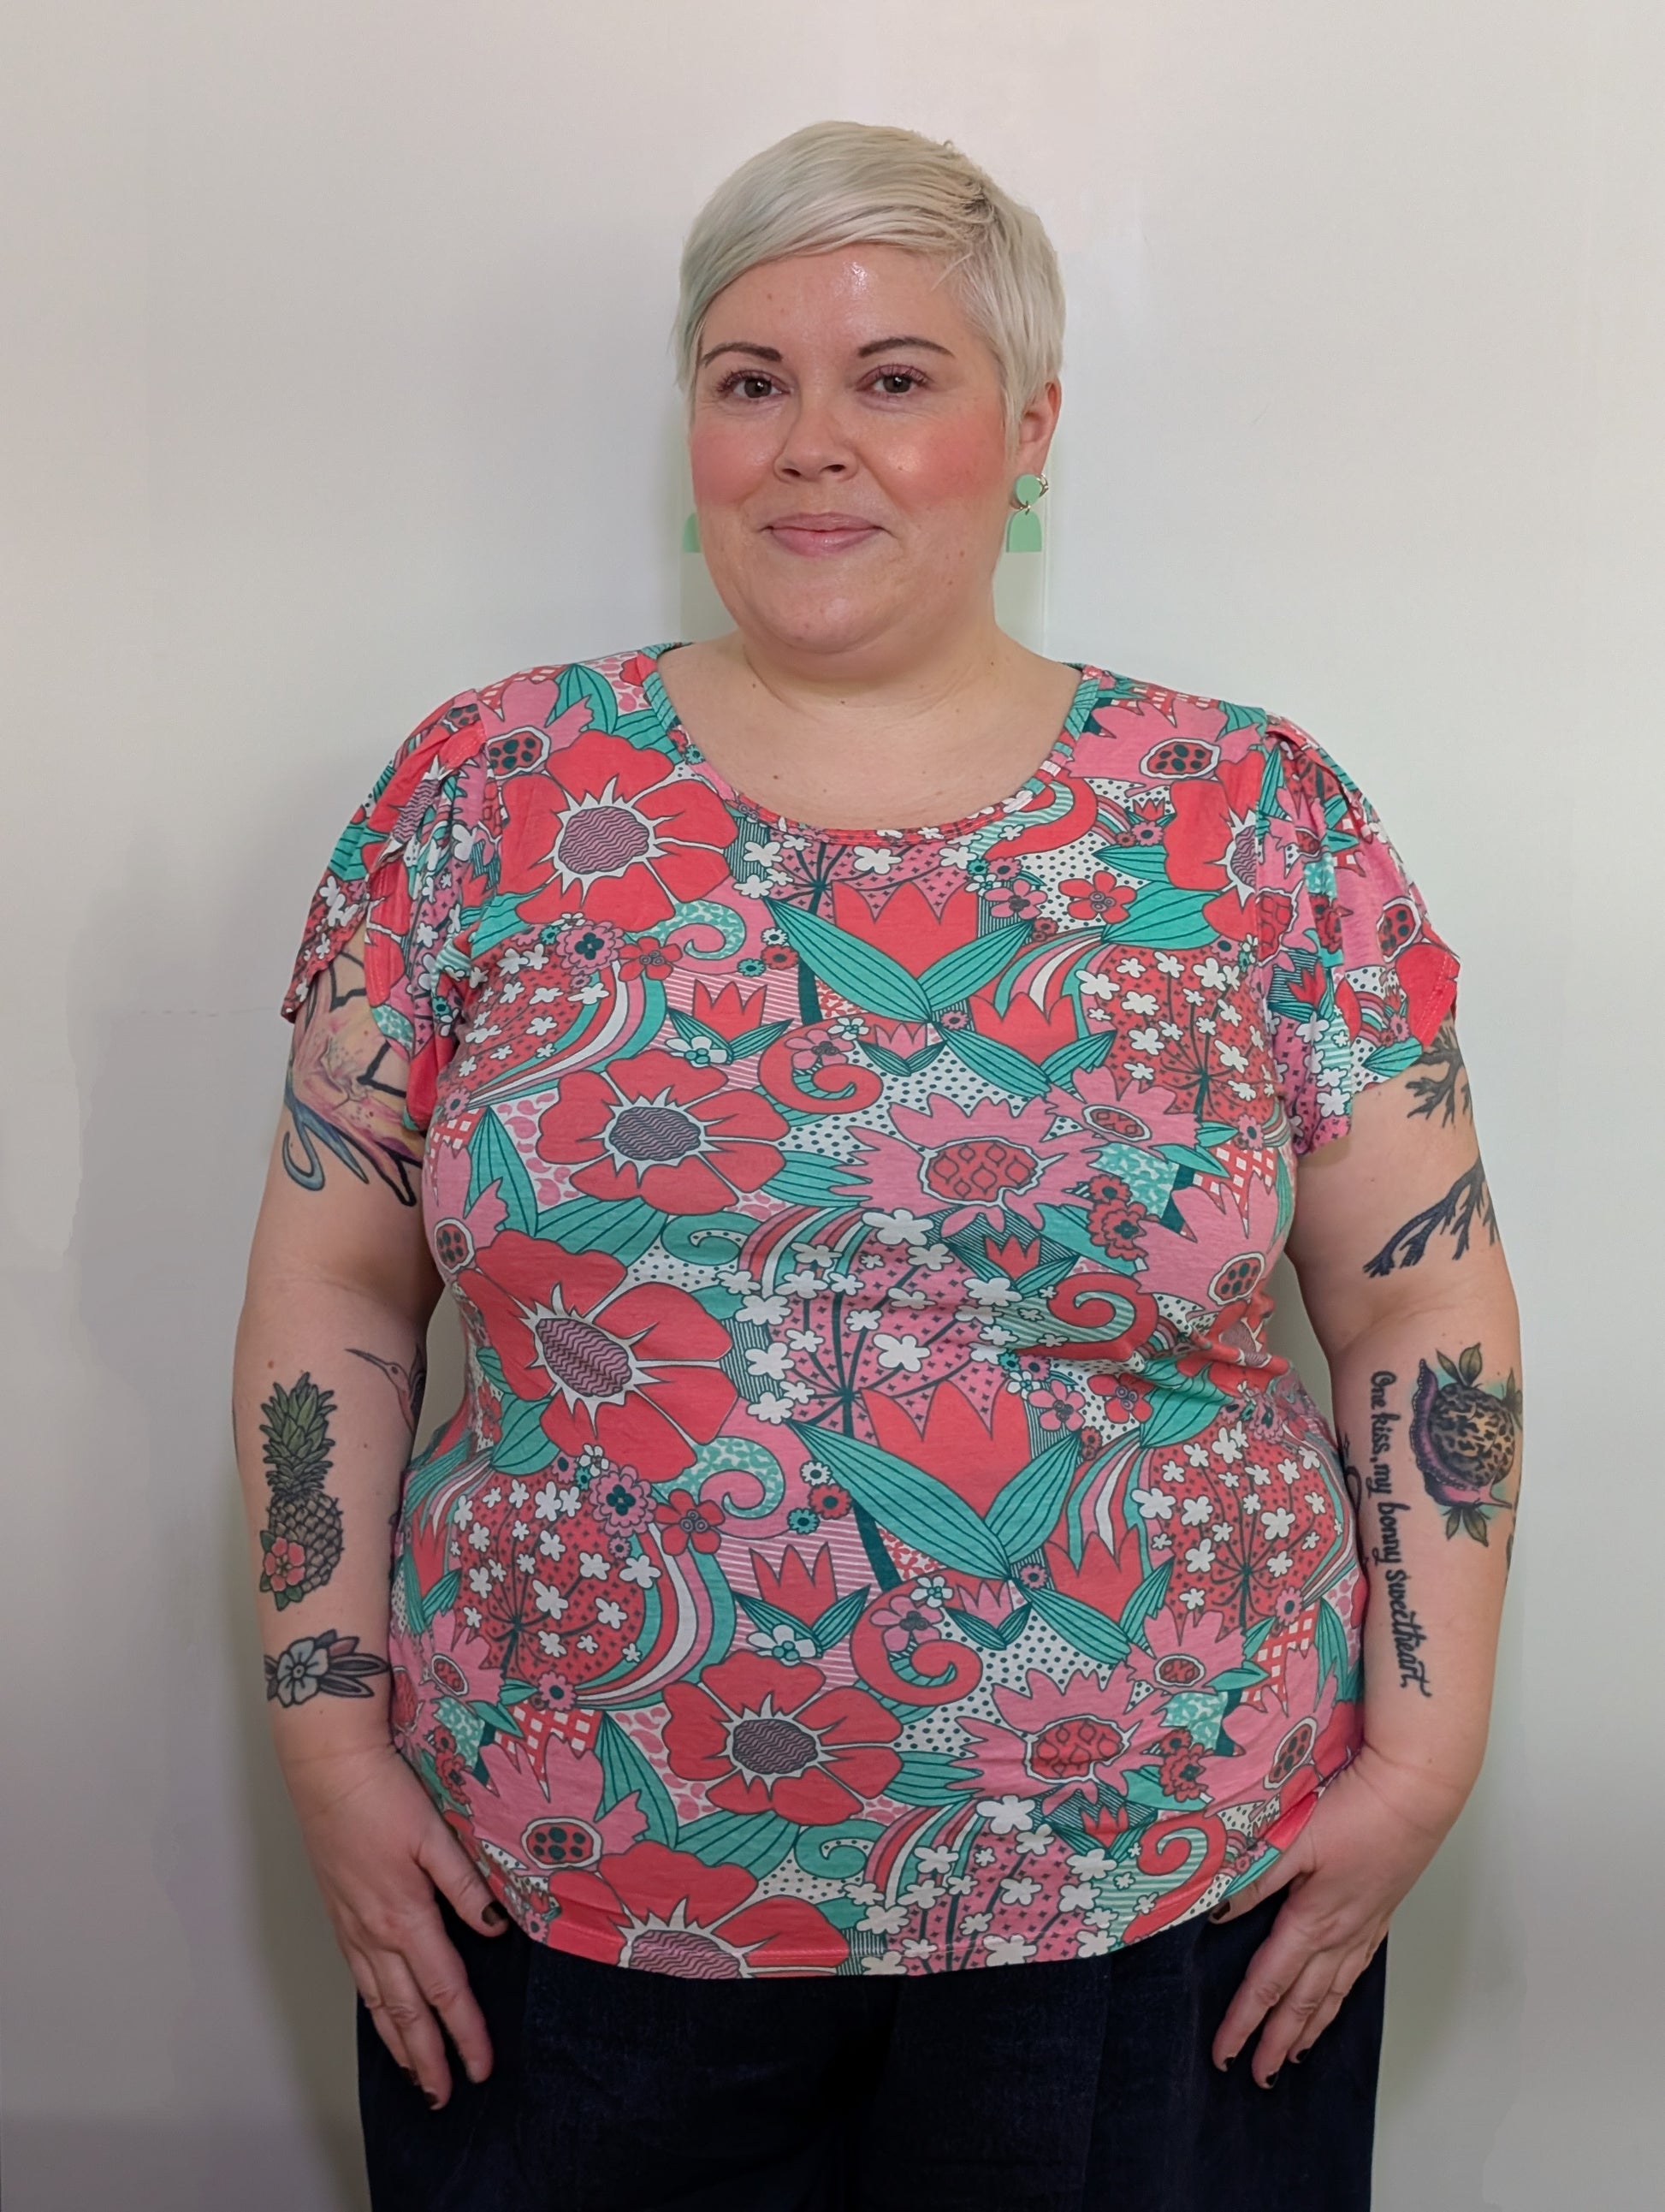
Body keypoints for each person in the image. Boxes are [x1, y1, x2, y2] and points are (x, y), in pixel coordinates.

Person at [234, 119, 1521, 2212]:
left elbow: (1417, 1299)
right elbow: (335, 1289)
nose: (810, 443)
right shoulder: (487, 793)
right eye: (750, 380)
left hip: (1156, 1903)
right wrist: (327, 1739)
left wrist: (1424, 1754)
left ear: (1030, 431)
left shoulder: (1253, 817)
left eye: (893, 377)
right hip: (564, 1894)